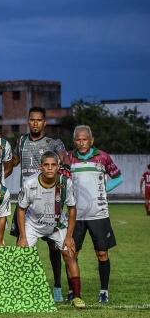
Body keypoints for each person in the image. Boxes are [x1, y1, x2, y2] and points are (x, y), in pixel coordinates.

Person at [11, 106, 68, 302]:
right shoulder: (21, 140)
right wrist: (1, 161)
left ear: (45, 122)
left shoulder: (54, 142)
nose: (35, 123)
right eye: (32, 120)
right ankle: (25, 289)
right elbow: (14, 162)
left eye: (39, 120)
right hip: (27, 201)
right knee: (23, 244)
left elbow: (65, 160)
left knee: (54, 248)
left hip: (49, 202)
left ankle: (58, 286)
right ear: (28, 121)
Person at [17, 151, 85, 309]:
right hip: (33, 224)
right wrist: (23, 236)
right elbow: (21, 209)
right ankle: (25, 294)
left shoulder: (65, 183)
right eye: (46, 165)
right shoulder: (29, 183)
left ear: (58, 166)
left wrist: (69, 236)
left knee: (70, 253)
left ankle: (77, 296)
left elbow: (72, 209)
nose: (49, 168)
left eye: (53, 165)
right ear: (41, 167)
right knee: (22, 253)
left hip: (57, 226)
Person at [67, 125, 123, 303]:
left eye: (85, 139)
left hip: (99, 214)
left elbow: (118, 178)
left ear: (92, 140)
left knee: (102, 253)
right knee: (72, 255)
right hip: (75, 216)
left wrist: (102, 191)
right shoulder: (68, 158)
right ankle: (73, 292)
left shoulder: (103, 157)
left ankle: (104, 291)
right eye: (78, 139)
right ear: (74, 140)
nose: (81, 143)